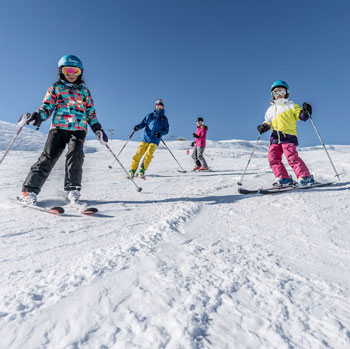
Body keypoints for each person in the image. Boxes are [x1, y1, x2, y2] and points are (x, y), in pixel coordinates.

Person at [21, 54, 108, 205]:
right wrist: (37, 117)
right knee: (48, 156)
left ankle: (72, 189)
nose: (72, 75)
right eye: (68, 71)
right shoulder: (56, 88)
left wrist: (97, 128)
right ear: (61, 71)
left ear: (81, 72)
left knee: (76, 155)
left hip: (79, 129)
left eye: (76, 71)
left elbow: (91, 112)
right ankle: (29, 190)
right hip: (58, 128)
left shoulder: (84, 91)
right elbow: (47, 107)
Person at [257, 80, 313, 187]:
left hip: (288, 136)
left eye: (281, 91)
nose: (278, 95)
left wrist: (305, 112)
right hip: (275, 138)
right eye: (275, 92)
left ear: (286, 93)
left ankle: (305, 177)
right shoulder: (270, 109)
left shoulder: (291, 105)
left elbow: (300, 116)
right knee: (273, 158)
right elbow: (267, 121)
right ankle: (283, 178)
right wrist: (264, 126)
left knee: (291, 157)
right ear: (272, 95)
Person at [129, 99, 169, 178]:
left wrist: (160, 133)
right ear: (155, 106)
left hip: (155, 140)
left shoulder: (164, 118)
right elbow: (143, 123)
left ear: (163, 107)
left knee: (148, 155)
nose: (159, 108)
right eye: (157, 106)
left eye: (160, 106)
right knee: (139, 153)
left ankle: (142, 170)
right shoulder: (150, 116)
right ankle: (132, 170)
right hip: (145, 138)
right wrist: (138, 127)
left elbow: (166, 130)